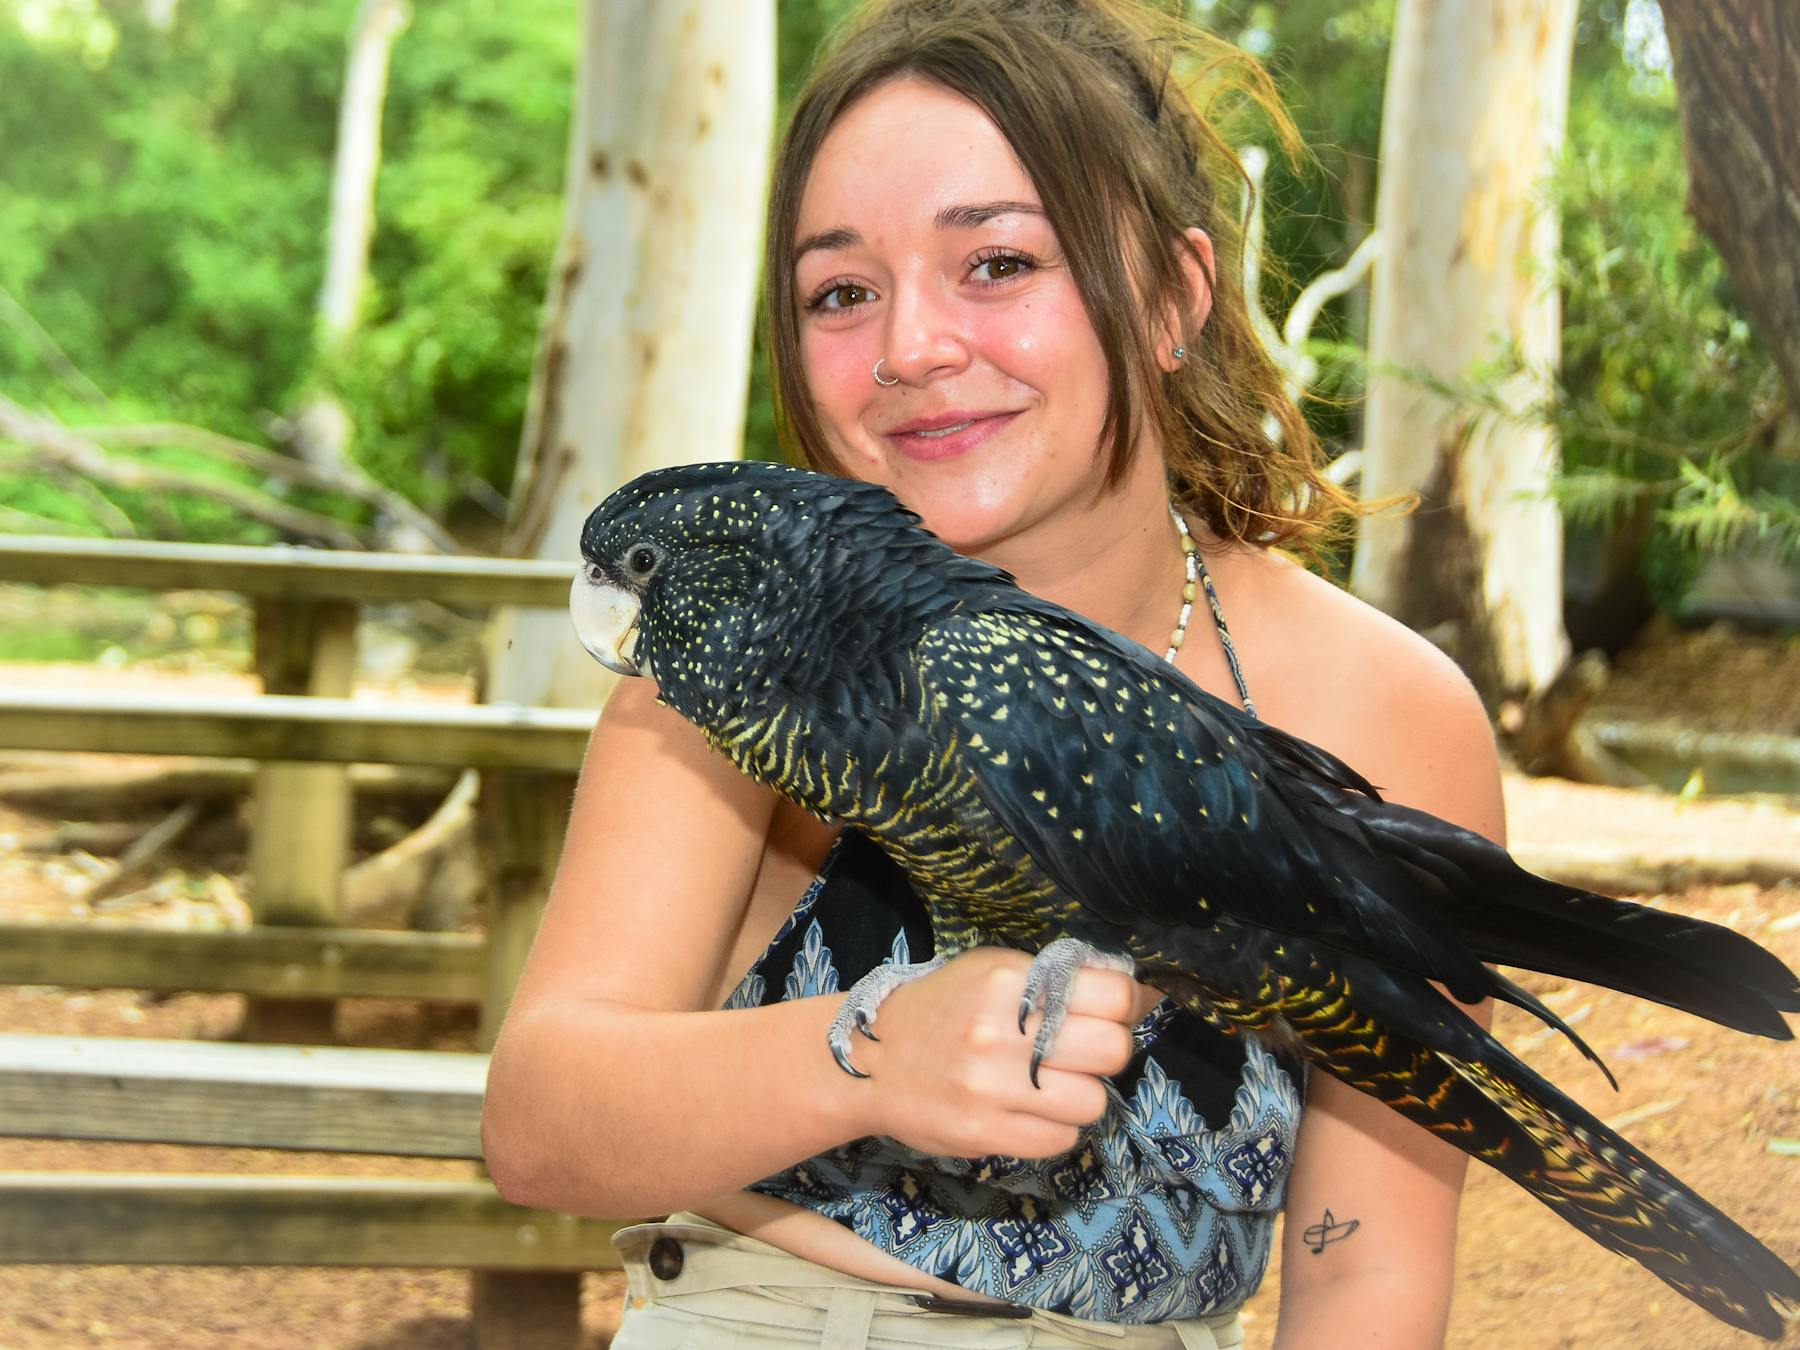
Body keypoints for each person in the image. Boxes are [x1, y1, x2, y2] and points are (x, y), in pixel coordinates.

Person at [482, 1, 1505, 1345]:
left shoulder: (1385, 713)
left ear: (1173, 297)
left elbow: (1365, 1268)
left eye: (998, 262)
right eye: (842, 291)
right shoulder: (735, 676)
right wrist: (866, 1050)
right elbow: (543, 1122)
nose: (911, 348)